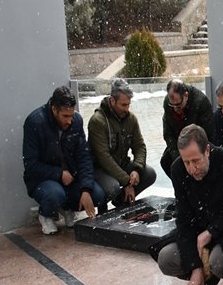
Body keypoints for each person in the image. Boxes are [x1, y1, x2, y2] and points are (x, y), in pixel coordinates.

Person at [157, 124, 223, 285]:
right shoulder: (177, 169)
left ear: (207, 150)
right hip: (197, 230)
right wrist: (195, 267)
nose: (191, 169)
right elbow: (183, 220)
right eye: (186, 162)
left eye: (196, 161)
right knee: (166, 258)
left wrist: (211, 232)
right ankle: (205, 280)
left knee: (219, 261)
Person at [23, 86, 107, 235]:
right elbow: (31, 165)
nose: (69, 120)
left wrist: (86, 188)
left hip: (72, 177)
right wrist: (59, 174)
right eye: (65, 116)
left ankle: (68, 208)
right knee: (55, 195)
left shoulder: (76, 121)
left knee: (98, 196)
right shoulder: (35, 122)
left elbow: (84, 156)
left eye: (71, 115)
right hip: (44, 180)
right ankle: (46, 214)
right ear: (54, 110)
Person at [88, 78, 156, 207]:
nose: (127, 109)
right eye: (123, 105)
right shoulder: (98, 121)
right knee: (112, 187)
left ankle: (121, 201)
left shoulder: (131, 119)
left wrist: (136, 169)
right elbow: (103, 157)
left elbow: (140, 146)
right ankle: (104, 208)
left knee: (149, 173)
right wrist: (126, 182)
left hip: (122, 164)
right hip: (100, 168)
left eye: (129, 104)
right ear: (112, 101)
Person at [161, 79, 215, 178]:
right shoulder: (168, 102)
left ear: (186, 96)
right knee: (166, 161)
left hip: (199, 144)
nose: (175, 109)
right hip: (180, 144)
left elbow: (209, 135)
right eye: (171, 105)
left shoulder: (201, 102)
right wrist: (179, 156)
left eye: (178, 105)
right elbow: (168, 134)